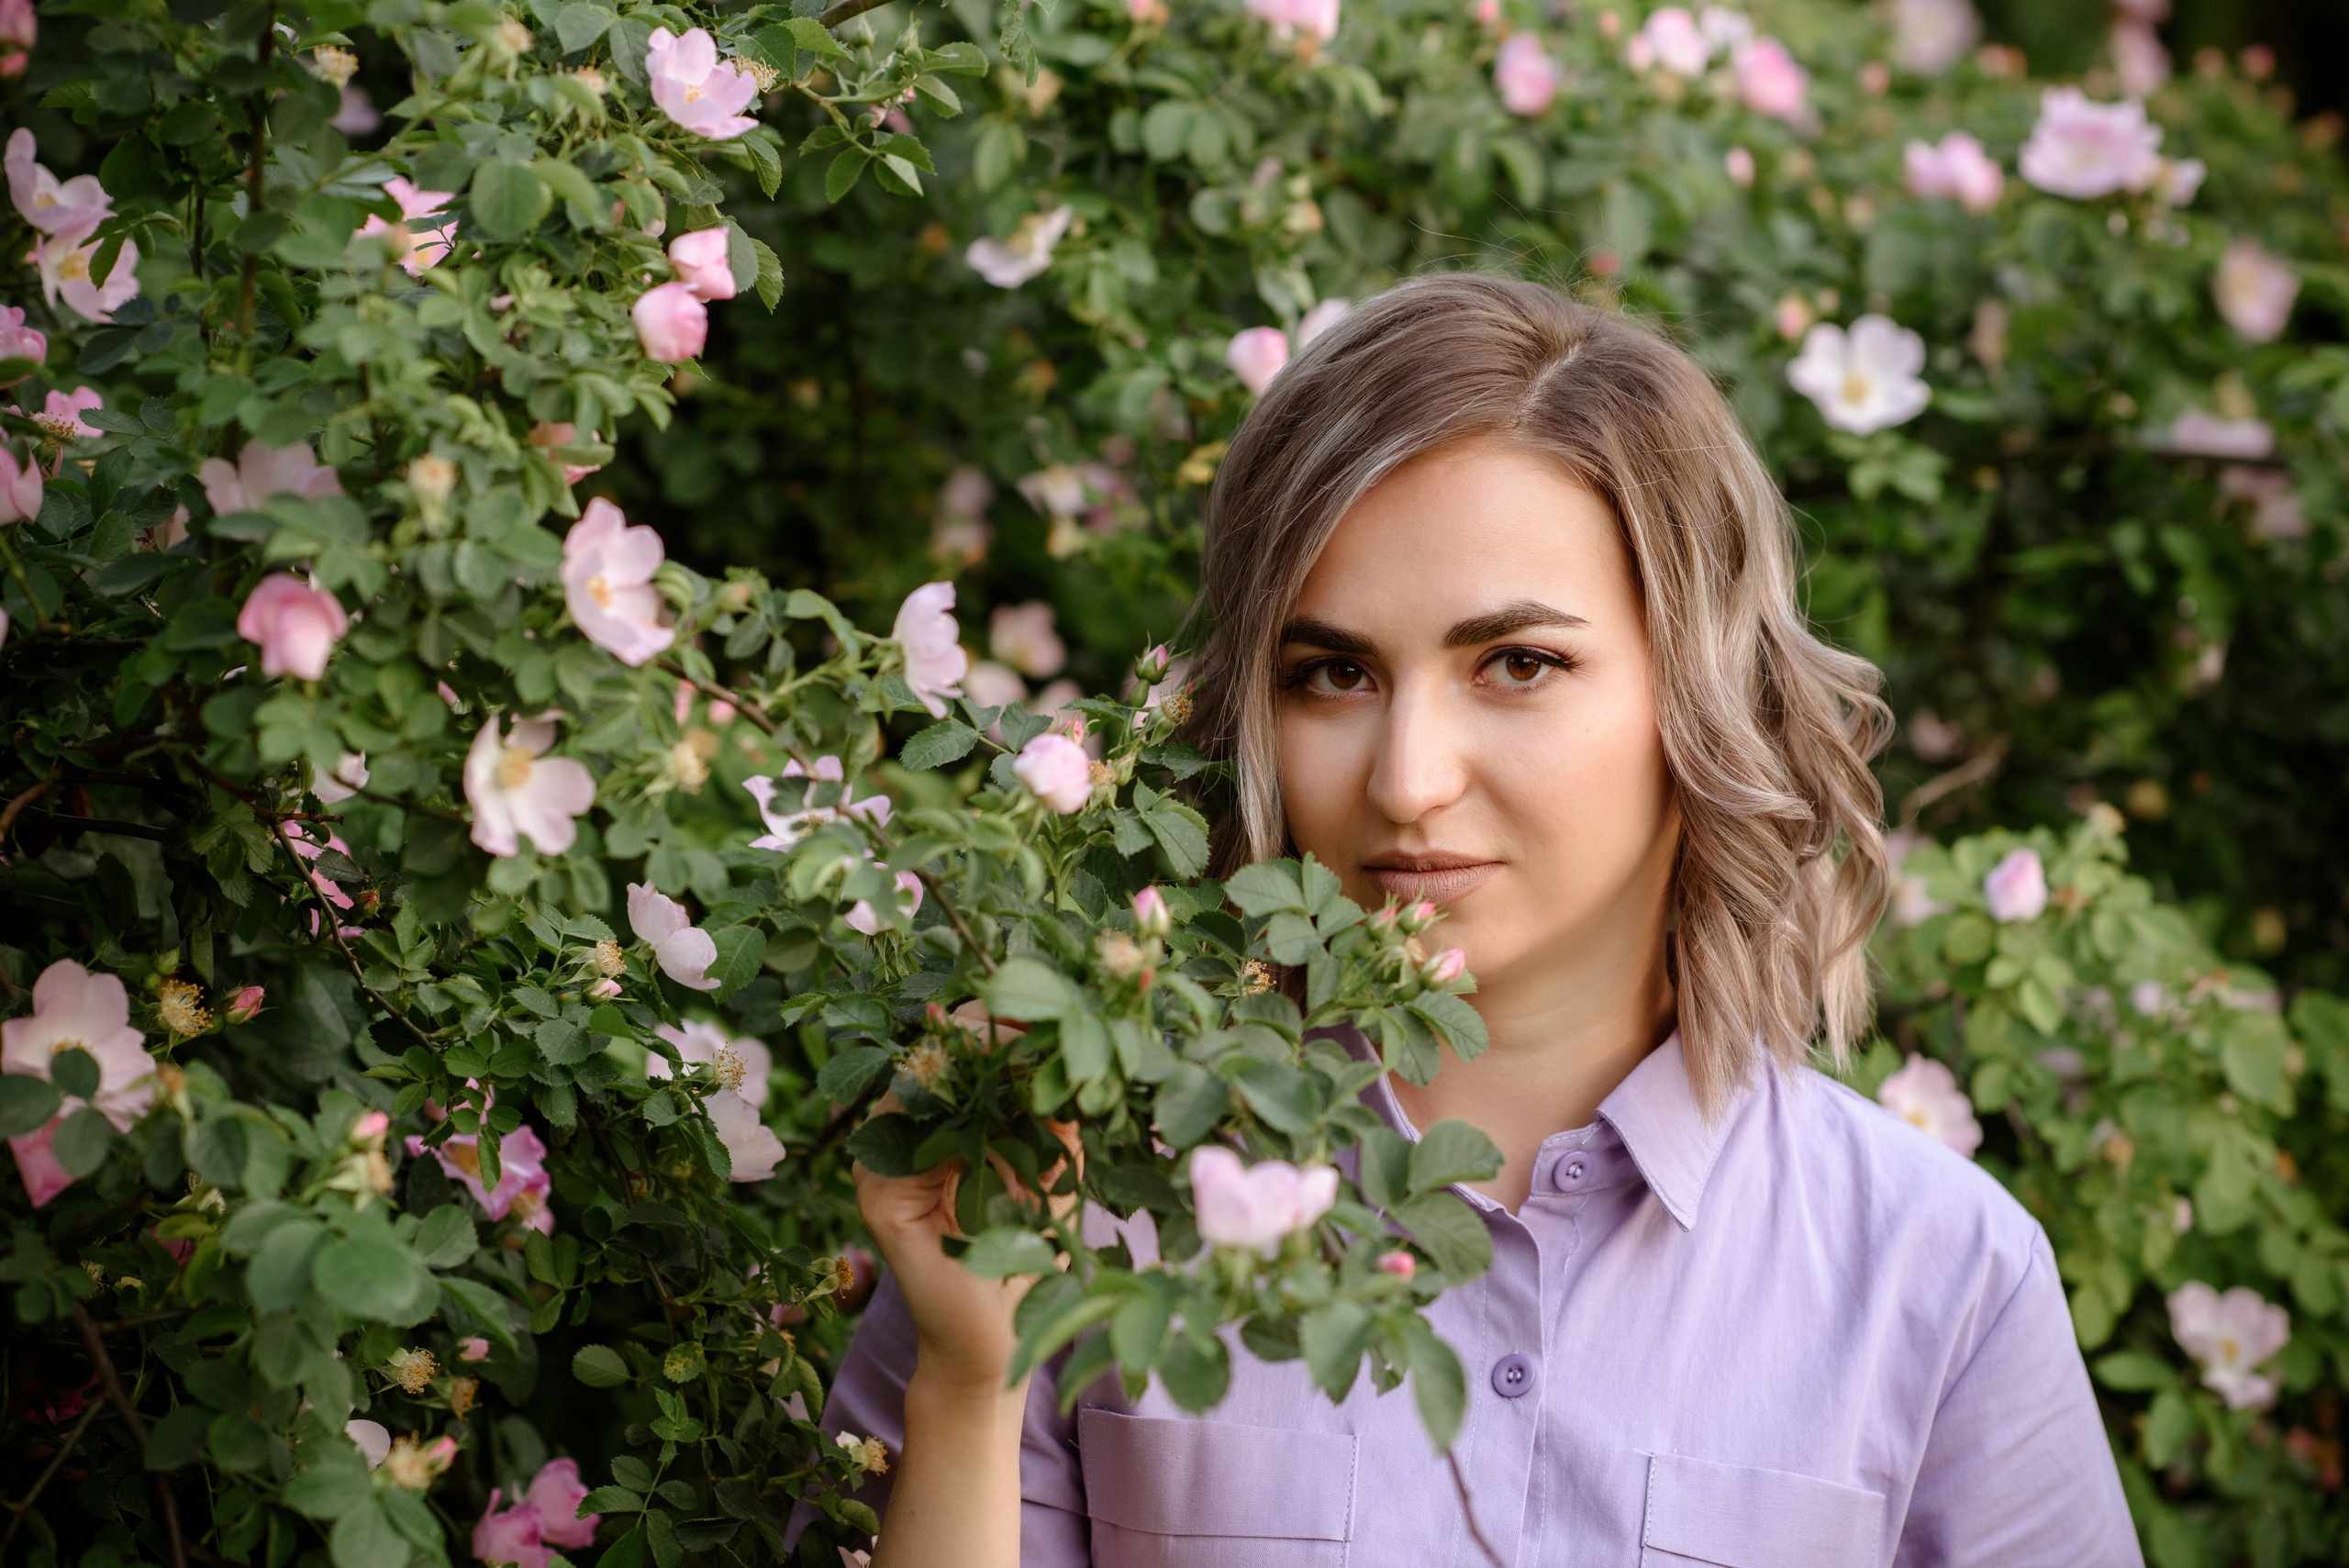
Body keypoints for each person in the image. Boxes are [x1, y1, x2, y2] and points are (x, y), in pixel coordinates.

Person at [823, 275, 2141, 1566]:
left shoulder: (1941, 1278)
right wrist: (970, 1386)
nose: (1406, 781)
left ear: (1703, 694)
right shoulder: (1066, 1196)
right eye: (1333, 673)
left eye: (1518, 663)